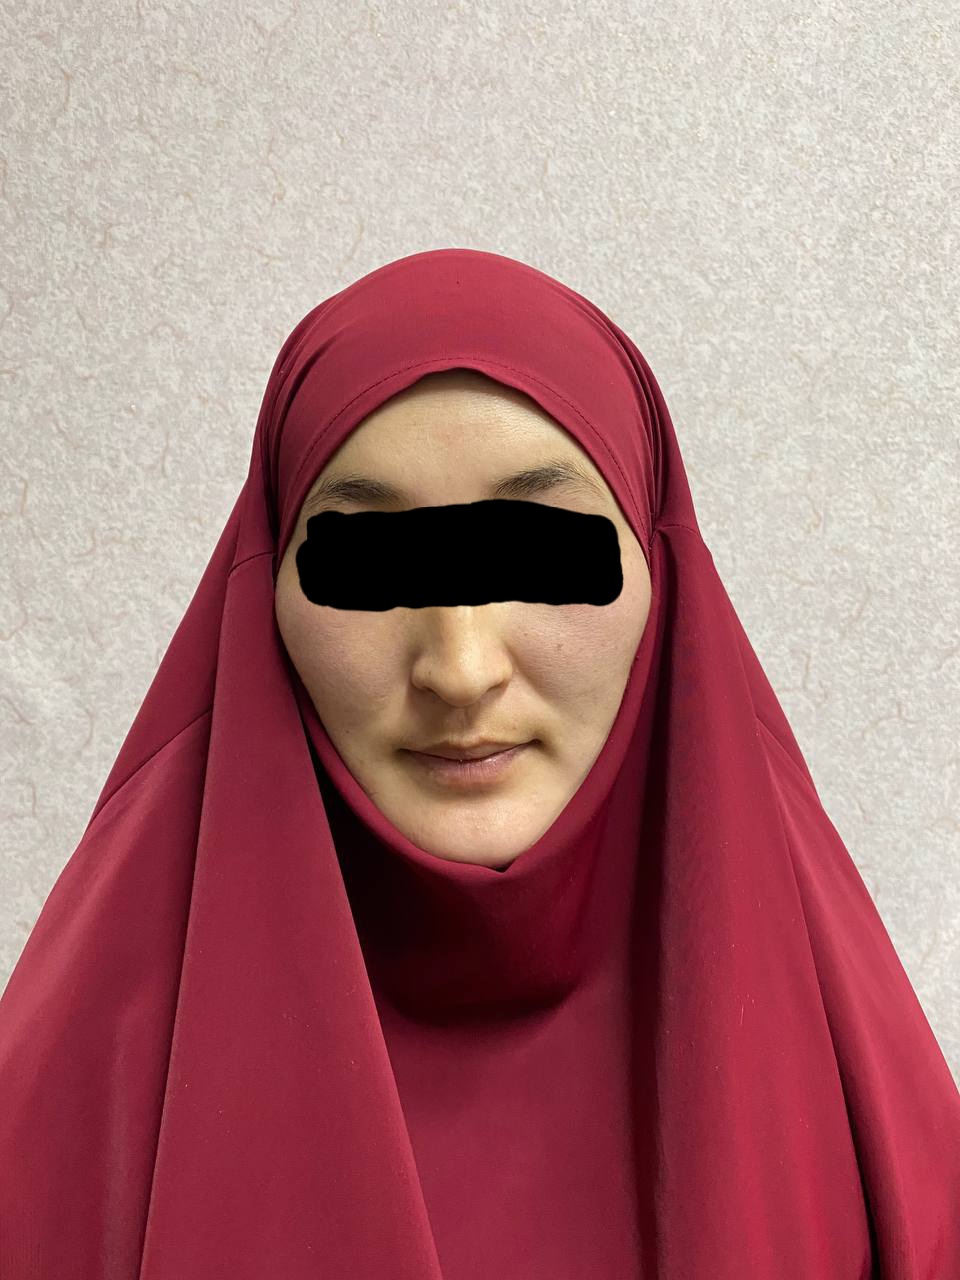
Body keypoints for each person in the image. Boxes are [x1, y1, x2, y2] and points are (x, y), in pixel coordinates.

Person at [0, 246, 957, 1279]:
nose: (459, 669)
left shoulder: (868, 1109)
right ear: (262, 589)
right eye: (369, 562)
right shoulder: (60, 1104)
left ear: (662, 572)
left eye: (538, 551)